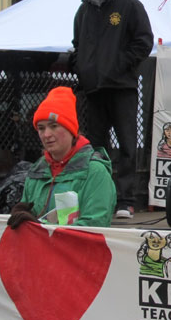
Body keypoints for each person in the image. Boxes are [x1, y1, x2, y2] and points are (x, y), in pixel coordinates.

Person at [69, 0, 153, 220]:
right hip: (92, 90)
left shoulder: (129, 6)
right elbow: (77, 45)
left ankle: (126, 201)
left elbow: (143, 41)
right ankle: (100, 197)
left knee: (127, 145)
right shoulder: (83, 10)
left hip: (121, 88)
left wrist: (120, 65)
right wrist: (80, 66)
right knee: (95, 147)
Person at [7, 86, 116, 229]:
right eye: (41, 128)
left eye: (54, 126)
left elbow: (95, 224)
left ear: (71, 130)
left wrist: (42, 229)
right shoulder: (36, 171)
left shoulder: (95, 171)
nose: (46, 134)